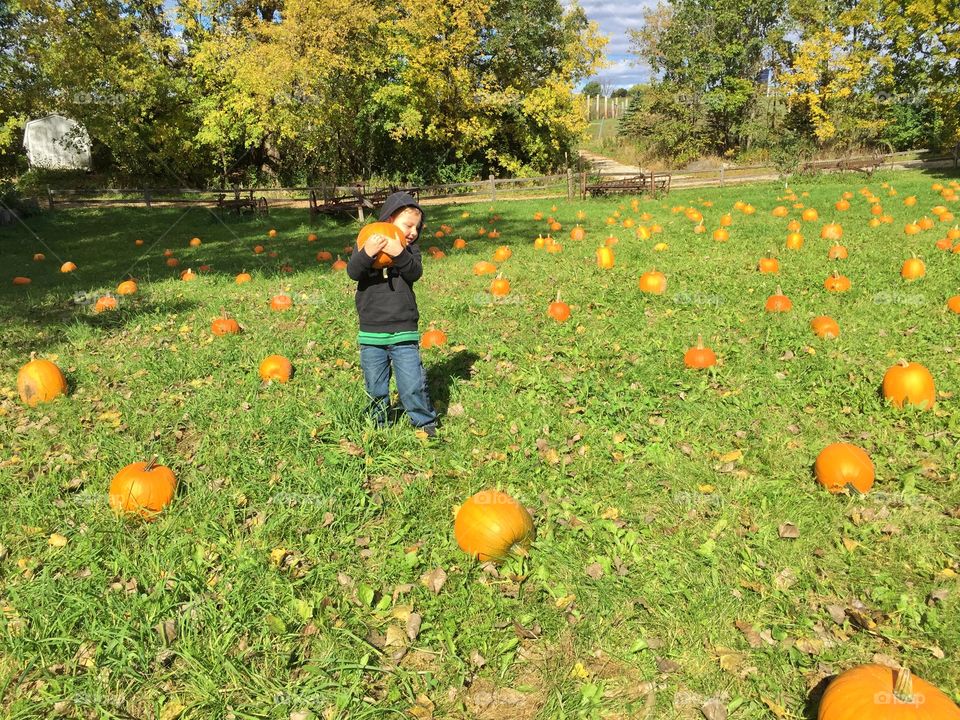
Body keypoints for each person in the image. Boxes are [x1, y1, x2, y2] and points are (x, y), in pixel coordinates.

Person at [346, 192, 438, 437]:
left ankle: (423, 422)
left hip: (404, 332)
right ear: (388, 221)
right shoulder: (366, 244)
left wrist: (398, 252)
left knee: (412, 385)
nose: (413, 232)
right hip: (371, 333)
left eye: (417, 228)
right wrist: (368, 252)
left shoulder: (410, 252)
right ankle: (379, 424)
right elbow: (353, 271)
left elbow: (414, 273)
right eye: (407, 225)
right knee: (375, 386)